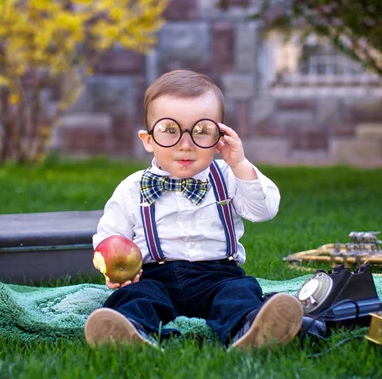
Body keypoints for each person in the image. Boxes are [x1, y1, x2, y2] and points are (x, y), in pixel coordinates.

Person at [84, 69, 303, 349]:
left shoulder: (228, 176)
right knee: (136, 298)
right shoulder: (132, 188)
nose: (185, 145)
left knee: (239, 293)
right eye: (170, 131)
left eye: (200, 131)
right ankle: (131, 332)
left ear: (219, 136)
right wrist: (114, 272)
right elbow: (109, 237)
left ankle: (251, 328)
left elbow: (264, 209)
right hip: (155, 276)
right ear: (148, 139)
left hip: (218, 276)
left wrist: (239, 164)